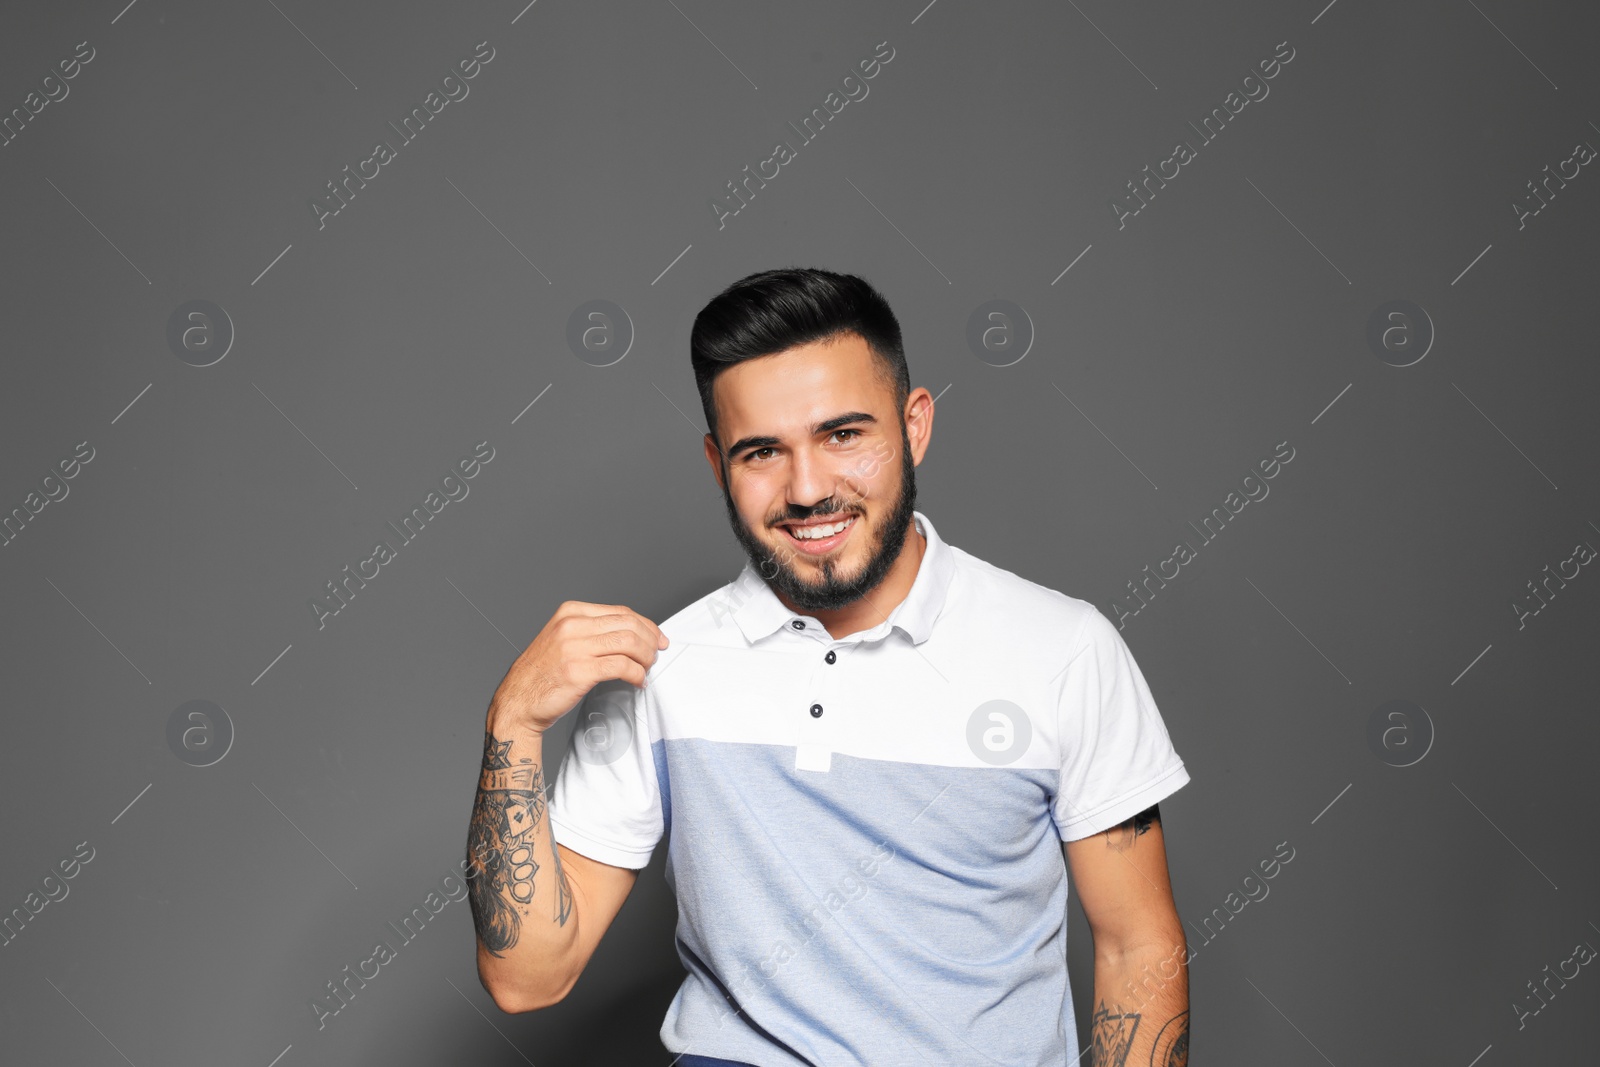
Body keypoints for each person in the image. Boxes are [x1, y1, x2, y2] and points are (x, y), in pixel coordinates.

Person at [466, 267, 1192, 1066]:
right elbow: (527, 978)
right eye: (762, 452)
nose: (808, 489)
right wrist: (514, 721)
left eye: (843, 434)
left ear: (914, 427)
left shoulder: (1064, 649)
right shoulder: (660, 668)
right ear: (717, 464)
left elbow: (1134, 948)